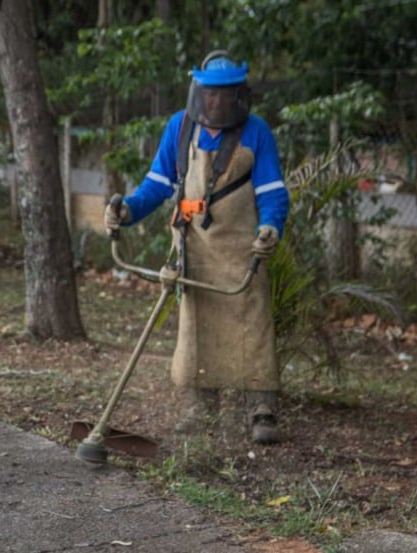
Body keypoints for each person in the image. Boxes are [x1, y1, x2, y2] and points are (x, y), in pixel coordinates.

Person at [105, 51, 289, 444]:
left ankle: (261, 409)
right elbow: (156, 186)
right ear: (198, 93)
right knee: (196, 325)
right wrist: (127, 212)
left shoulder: (256, 132)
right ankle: (200, 407)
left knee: (253, 324)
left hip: (243, 249)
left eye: (225, 94)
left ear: (239, 95)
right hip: (194, 247)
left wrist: (270, 227)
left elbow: (273, 193)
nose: (217, 102)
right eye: (210, 94)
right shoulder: (180, 128)